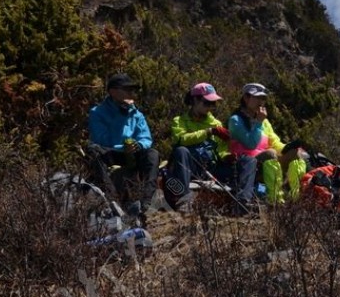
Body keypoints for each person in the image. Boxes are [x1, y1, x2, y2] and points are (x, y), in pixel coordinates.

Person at [87, 73, 158, 221]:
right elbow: (101, 139)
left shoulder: (136, 114)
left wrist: (138, 145)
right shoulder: (97, 112)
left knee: (152, 154)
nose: (131, 93)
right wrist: (121, 115)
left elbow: (146, 138)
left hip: (132, 153)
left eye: (132, 90)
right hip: (111, 152)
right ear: (112, 92)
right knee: (93, 152)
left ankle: (145, 203)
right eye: (127, 89)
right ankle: (112, 200)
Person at [165, 82, 232, 212]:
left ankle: (245, 201)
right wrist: (208, 132)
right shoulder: (179, 121)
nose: (210, 107)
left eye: (213, 104)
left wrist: (227, 156)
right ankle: (183, 200)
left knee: (244, 163)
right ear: (195, 100)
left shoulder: (215, 123)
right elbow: (181, 140)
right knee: (181, 151)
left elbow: (221, 148)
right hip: (189, 167)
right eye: (207, 103)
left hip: (210, 167)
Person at [226, 83, 285, 208]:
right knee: (271, 154)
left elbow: (274, 142)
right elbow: (250, 144)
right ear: (246, 98)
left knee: (297, 157)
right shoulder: (235, 120)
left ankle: (291, 200)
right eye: (257, 97)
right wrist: (258, 122)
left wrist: (289, 149)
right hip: (244, 162)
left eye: (263, 98)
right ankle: (273, 200)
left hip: (263, 160)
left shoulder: (264, 121)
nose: (261, 101)